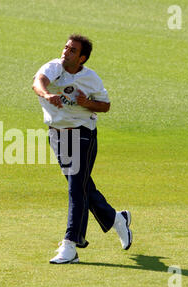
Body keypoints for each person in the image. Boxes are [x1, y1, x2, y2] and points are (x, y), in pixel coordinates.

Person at [32, 34, 133, 264]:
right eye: (66, 47)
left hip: (82, 135)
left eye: (73, 50)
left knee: (76, 189)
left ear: (82, 58)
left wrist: (86, 102)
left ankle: (71, 244)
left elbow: (105, 105)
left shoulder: (91, 79)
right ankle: (116, 219)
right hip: (57, 135)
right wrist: (47, 94)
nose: (66, 51)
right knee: (81, 185)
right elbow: (38, 82)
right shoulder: (54, 67)